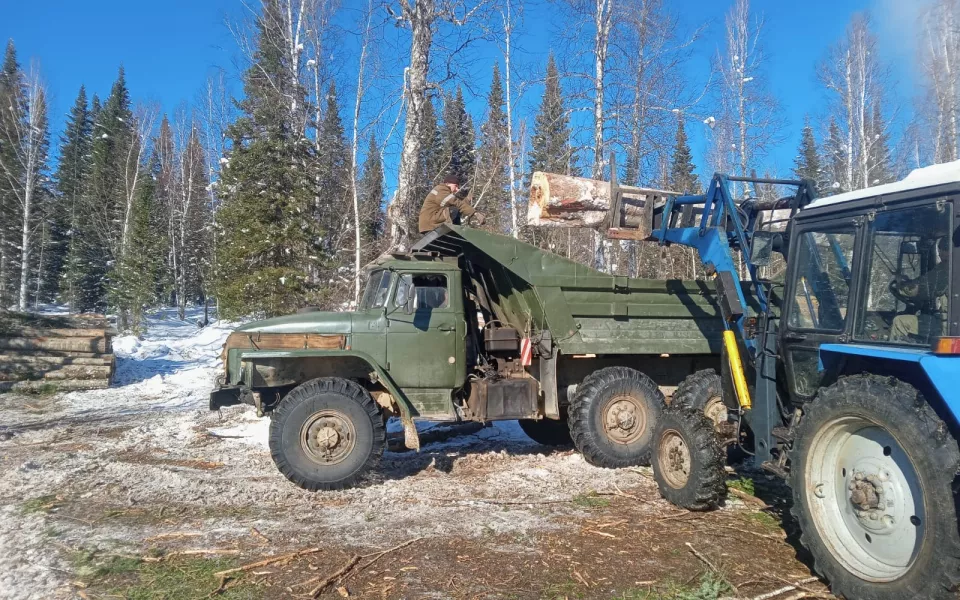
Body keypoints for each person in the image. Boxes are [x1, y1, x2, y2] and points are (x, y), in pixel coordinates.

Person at [890, 235, 951, 343]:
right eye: (940, 249)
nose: (940, 253)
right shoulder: (946, 267)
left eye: (944, 250)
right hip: (948, 321)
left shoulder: (947, 269)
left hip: (947, 326)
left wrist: (901, 285)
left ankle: (899, 358)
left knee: (900, 321)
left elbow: (922, 288)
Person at [418, 174, 485, 234]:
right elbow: (455, 203)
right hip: (430, 222)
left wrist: (467, 200)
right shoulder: (441, 189)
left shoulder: (442, 191)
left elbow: (455, 203)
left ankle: (456, 232)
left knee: (455, 209)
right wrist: (475, 213)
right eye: (455, 186)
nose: (457, 189)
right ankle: (456, 232)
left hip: (430, 221)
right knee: (454, 210)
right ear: (448, 183)